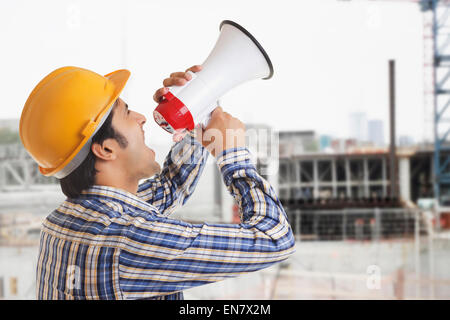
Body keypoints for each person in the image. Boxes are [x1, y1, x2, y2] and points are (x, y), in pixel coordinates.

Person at [20, 65, 295, 300]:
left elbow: (170, 188)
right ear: (105, 150)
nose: (141, 117)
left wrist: (197, 113)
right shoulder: (127, 238)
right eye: (126, 113)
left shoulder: (63, 220)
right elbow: (275, 238)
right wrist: (231, 154)